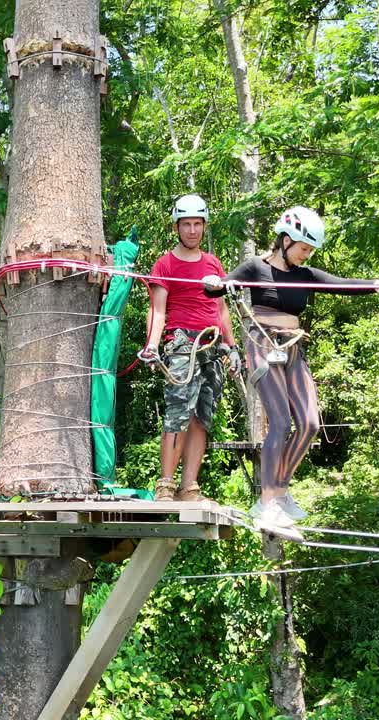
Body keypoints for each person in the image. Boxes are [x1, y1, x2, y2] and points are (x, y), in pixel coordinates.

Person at [203, 206, 379, 528]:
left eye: (310, 250)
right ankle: (267, 502)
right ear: (285, 240)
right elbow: (218, 287)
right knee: (280, 422)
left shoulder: (305, 276)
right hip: (262, 343)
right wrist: (215, 282)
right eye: (303, 248)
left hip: (292, 345)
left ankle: (280, 492)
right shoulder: (255, 267)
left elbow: (344, 284)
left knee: (309, 423)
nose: (306, 255)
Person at [139, 194, 241, 502]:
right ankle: (166, 485)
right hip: (182, 343)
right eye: (187, 224)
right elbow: (157, 309)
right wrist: (152, 346)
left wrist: (232, 346)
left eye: (198, 224)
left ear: (204, 226)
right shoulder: (165, 264)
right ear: (177, 227)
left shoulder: (212, 263)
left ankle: (189, 487)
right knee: (177, 414)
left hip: (213, 343)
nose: (193, 230)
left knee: (202, 417)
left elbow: (222, 310)